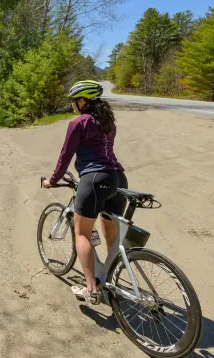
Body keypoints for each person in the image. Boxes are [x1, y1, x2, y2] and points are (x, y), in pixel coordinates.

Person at [42, 80, 127, 305]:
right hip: (118, 178)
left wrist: (52, 180)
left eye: (73, 101)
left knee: (82, 234)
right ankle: (112, 277)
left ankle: (91, 289)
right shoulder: (108, 122)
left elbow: (65, 157)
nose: (72, 106)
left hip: (94, 179)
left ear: (82, 101)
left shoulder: (79, 122)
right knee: (109, 228)